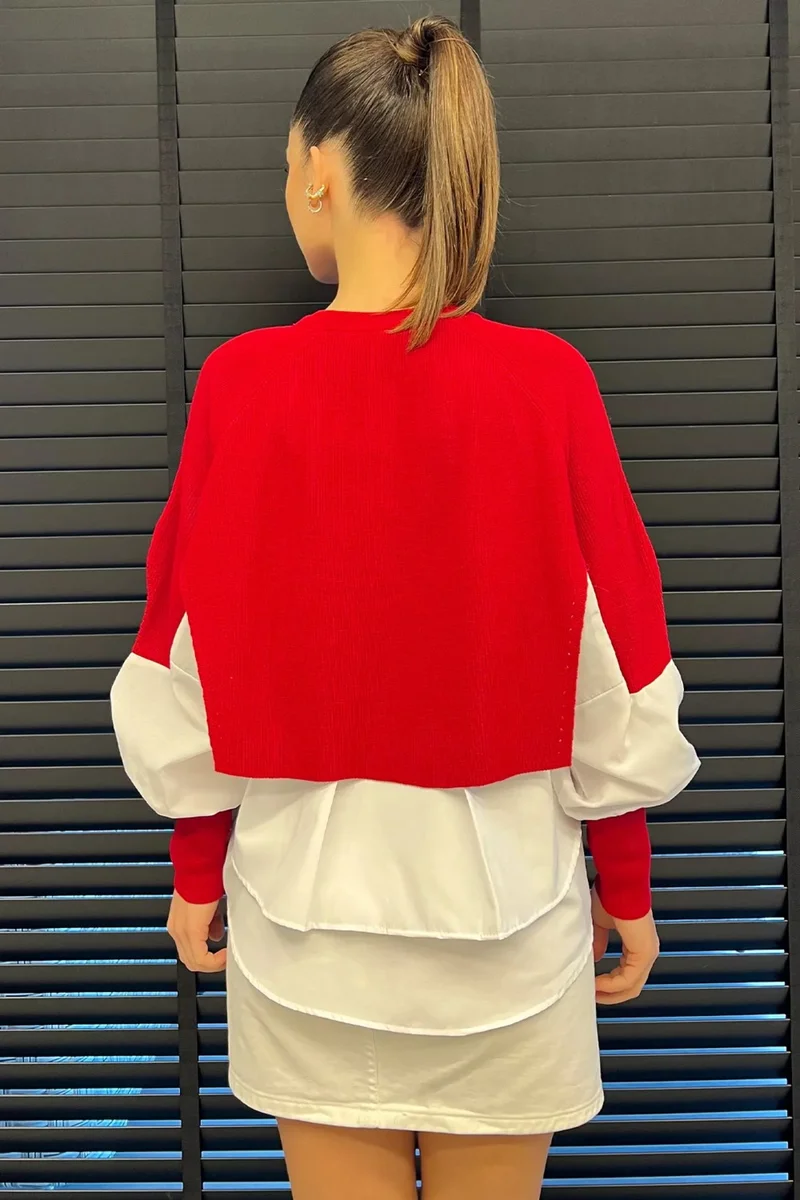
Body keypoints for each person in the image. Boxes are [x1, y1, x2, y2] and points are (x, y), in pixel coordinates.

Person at [110, 15, 700, 1200]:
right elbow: (619, 666)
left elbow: (181, 653)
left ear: (318, 174)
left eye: (285, 164)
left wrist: (196, 864)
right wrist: (626, 882)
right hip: (508, 926)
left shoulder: (241, 386)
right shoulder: (547, 385)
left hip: (306, 929)